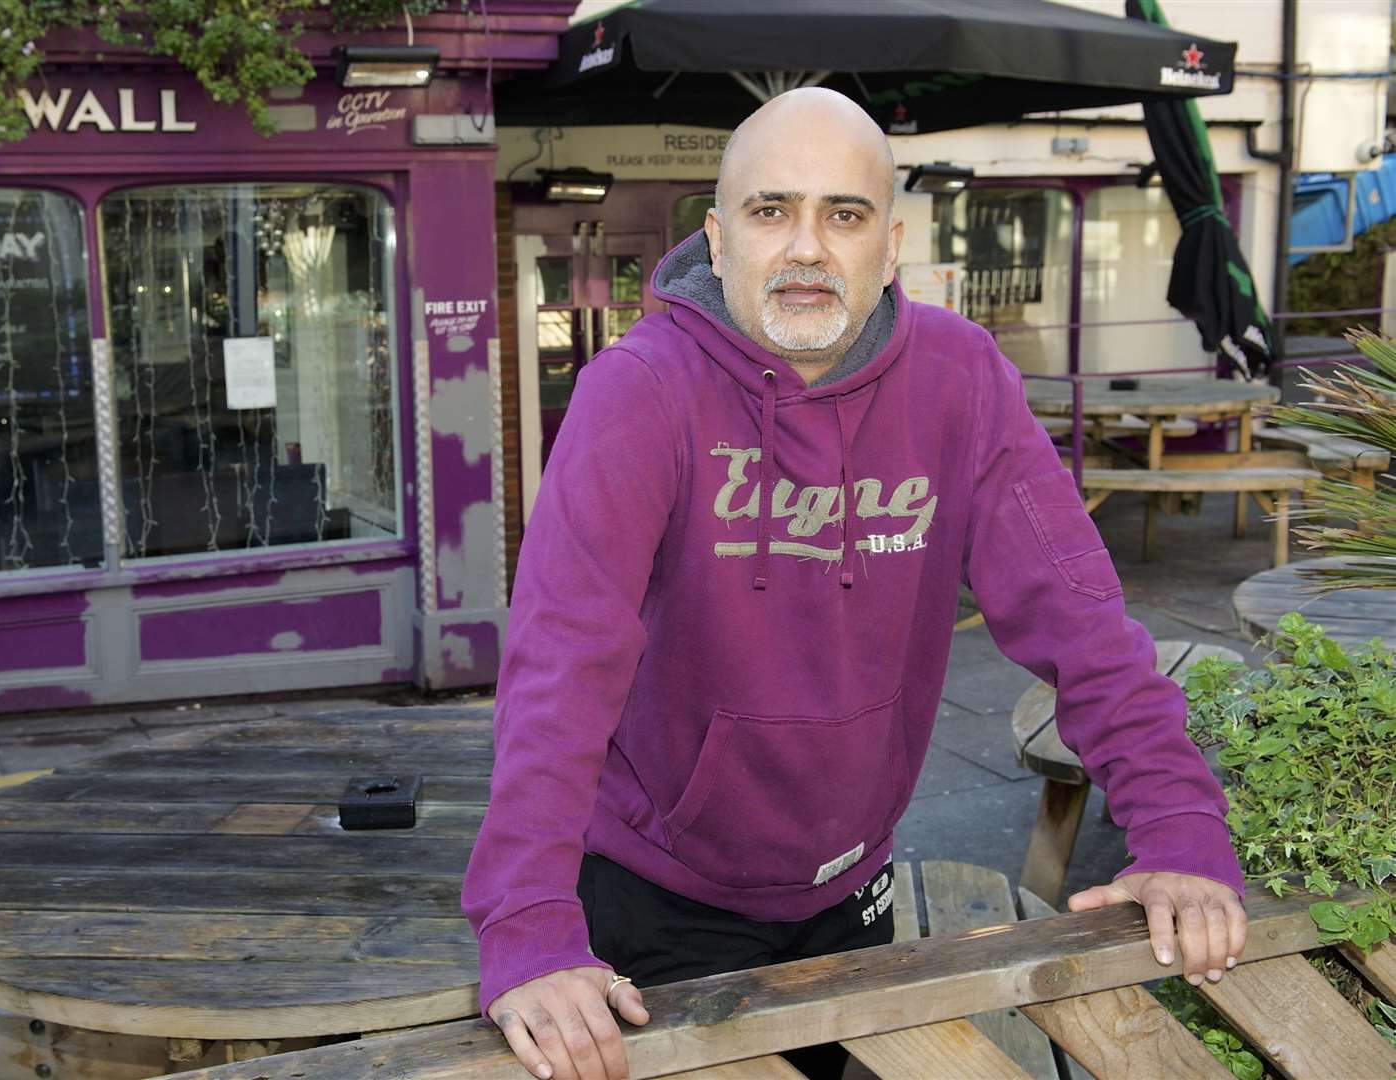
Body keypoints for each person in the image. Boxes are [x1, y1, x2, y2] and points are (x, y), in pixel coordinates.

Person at [461, 87, 1248, 1080]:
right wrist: (527, 924)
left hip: (850, 883)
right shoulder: (641, 389)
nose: (806, 246)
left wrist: (1178, 829)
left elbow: (1080, 622)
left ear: (890, 244)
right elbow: (560, 666)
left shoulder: (960, 379)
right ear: (715, 237)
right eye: (768, 210)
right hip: (653, 894)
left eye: (843, 214)